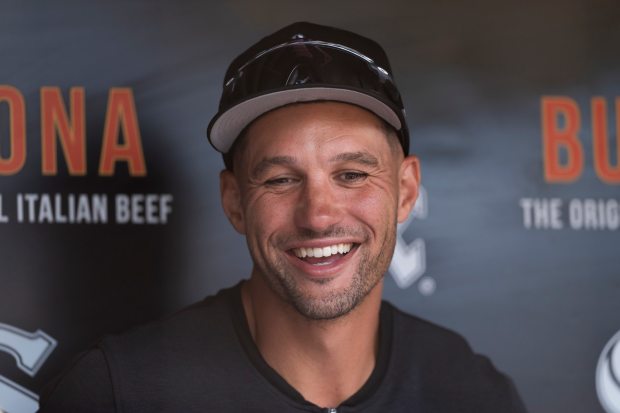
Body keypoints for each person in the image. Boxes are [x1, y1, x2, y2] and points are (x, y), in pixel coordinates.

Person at [38, 22, 527, 412]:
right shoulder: (116, 394)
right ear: (234, 202)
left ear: (405, 191)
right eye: (279, 180)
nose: (317, 216)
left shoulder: (471, 390)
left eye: (353, 174)